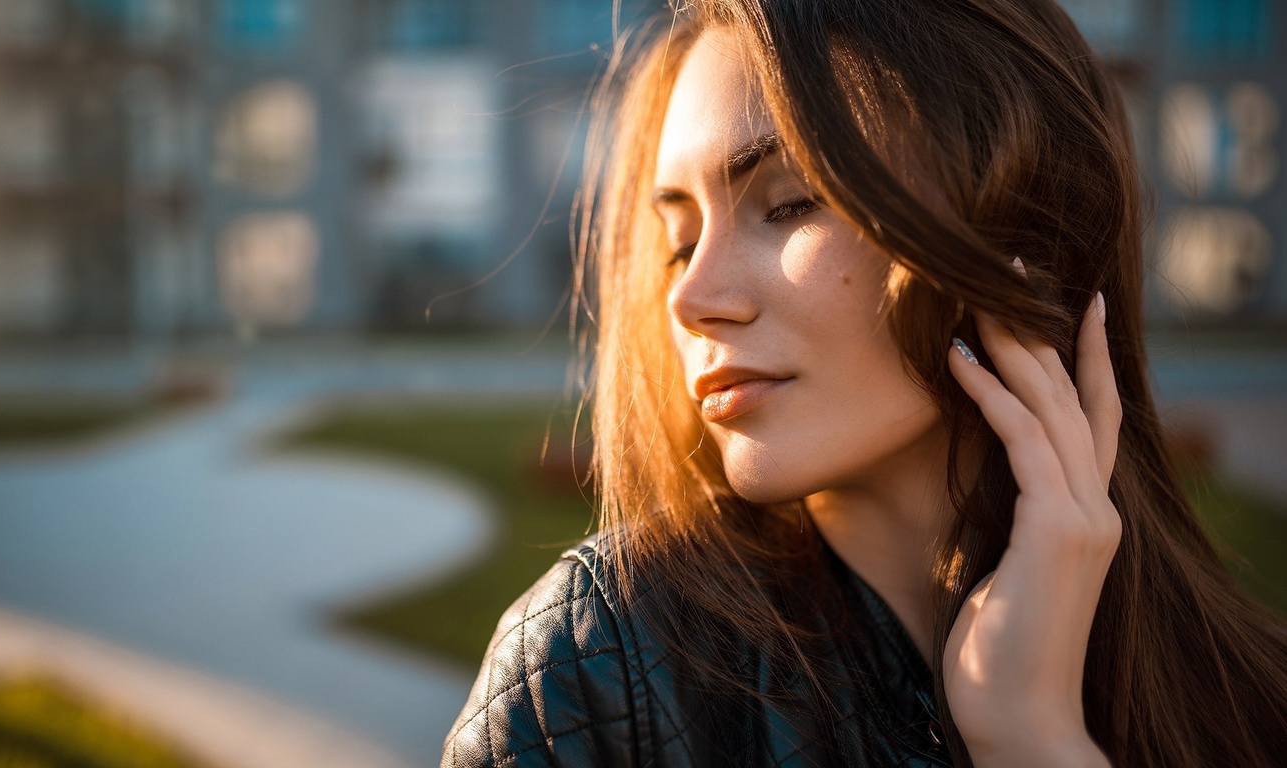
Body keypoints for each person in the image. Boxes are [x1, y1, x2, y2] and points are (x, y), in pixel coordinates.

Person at [444, 1, 1287, 765]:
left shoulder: (1249, 700)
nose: (691, 299)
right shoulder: (596, 670)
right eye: (678, 239)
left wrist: (1033, 738)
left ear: (1013, 227)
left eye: (789, 203)